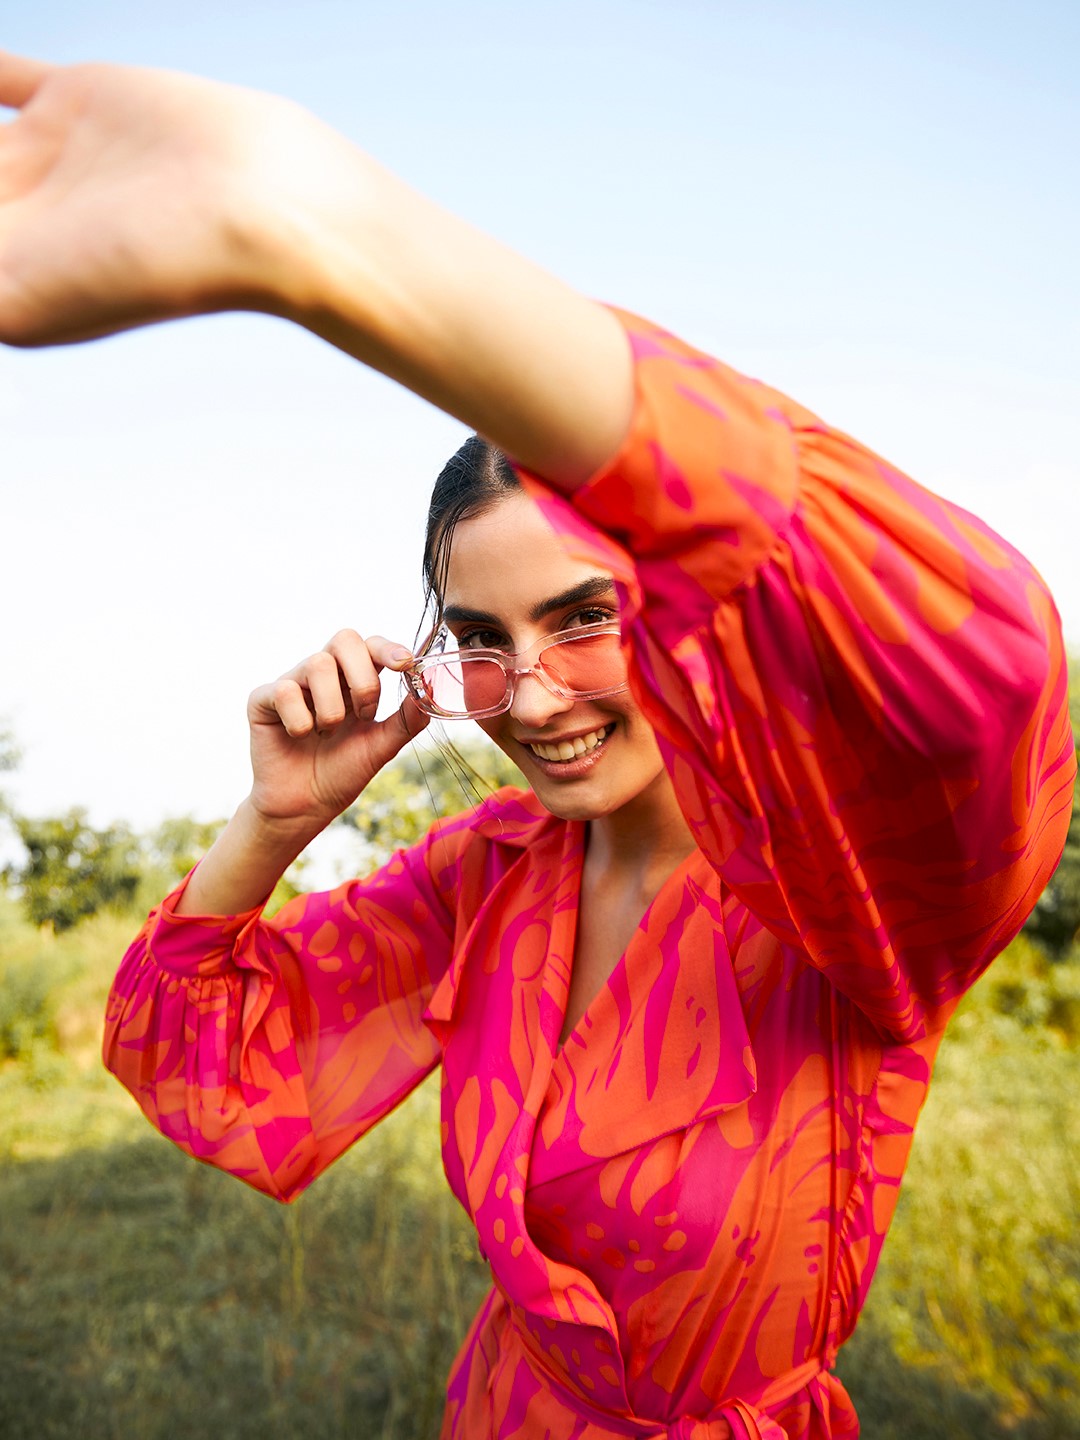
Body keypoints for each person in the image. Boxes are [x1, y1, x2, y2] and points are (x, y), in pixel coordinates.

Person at [0, 51, 1073, 1440]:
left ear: (683, 607)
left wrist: (309, 228)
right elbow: (205, 1061)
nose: (536, 694)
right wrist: (274, 827)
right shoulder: (488, 873)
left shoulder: (835, 897)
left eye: (587, 618)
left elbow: (984, 660)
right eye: (485, 639)